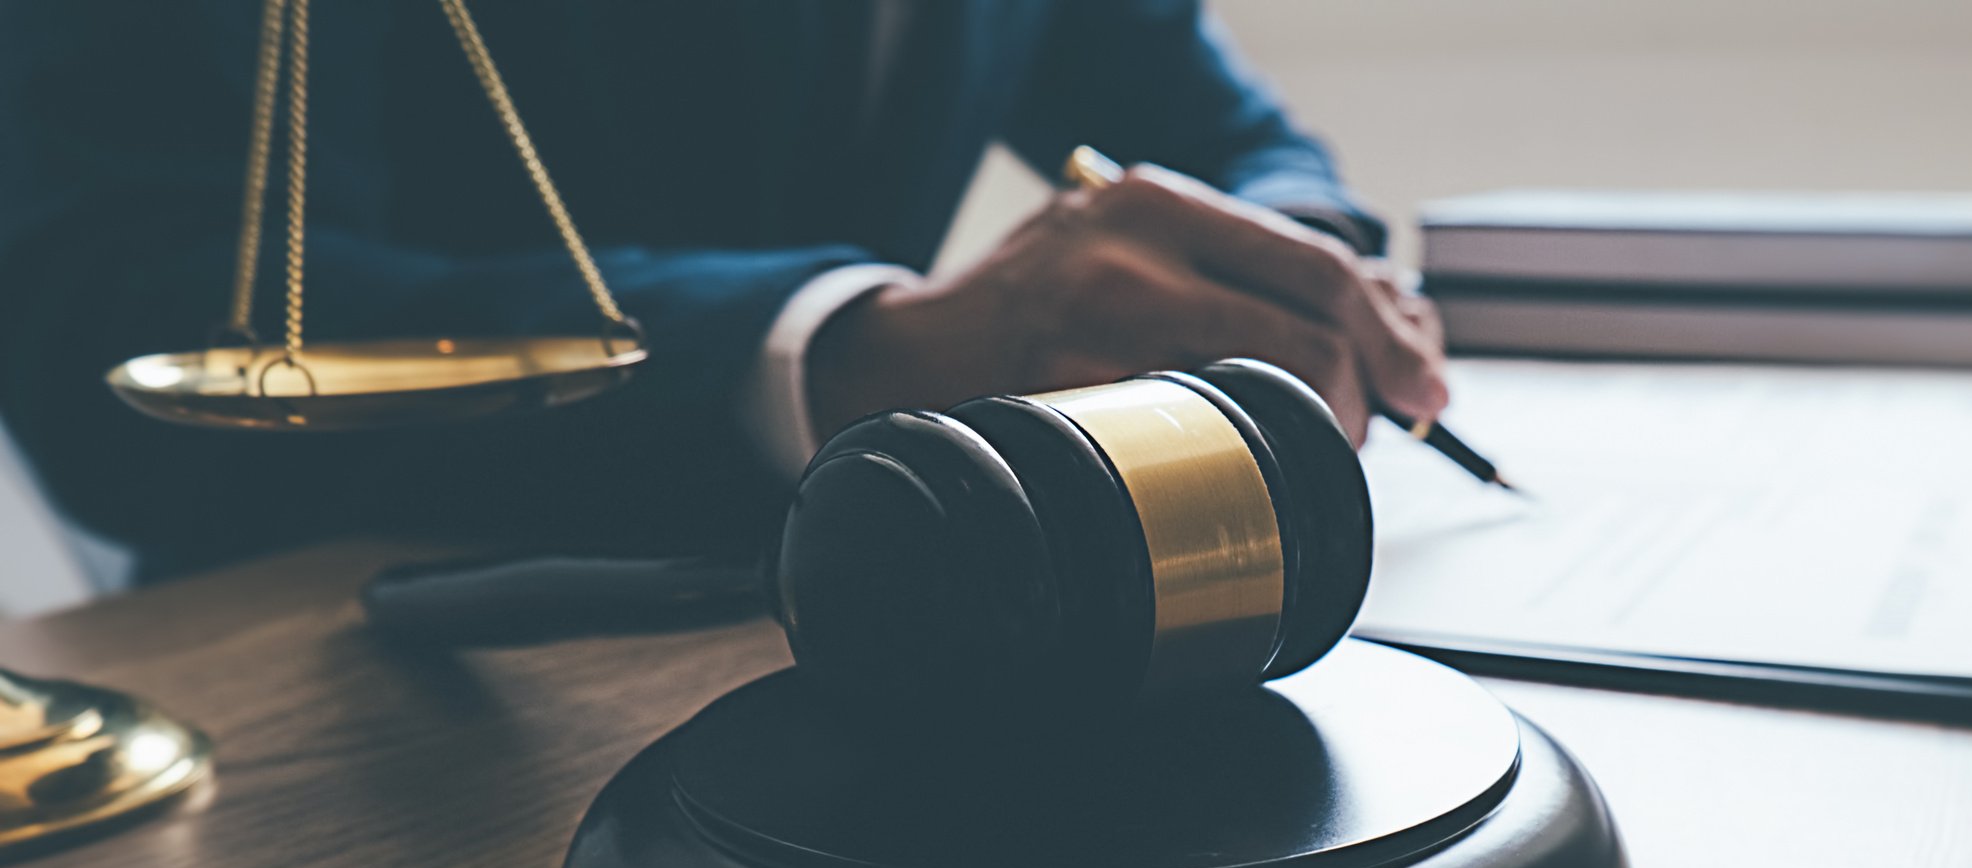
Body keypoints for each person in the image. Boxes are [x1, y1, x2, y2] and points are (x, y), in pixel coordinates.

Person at [0, 0, 1447, 581]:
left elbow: (1233, 133)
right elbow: (124, 319)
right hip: (363, 657)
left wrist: (1292, 256)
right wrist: (855, 350)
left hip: (848, 612)